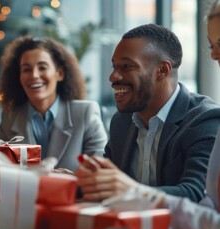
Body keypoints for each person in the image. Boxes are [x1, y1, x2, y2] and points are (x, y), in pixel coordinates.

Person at [76, 23, 220, 204]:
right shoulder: (122, 121)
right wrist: (76, 183)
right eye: (114, 67)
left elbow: (197, 194)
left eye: (127, 66)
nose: (113, 77)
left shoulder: (205, 120)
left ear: (162, 70)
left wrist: (131, 190)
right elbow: (108, 186)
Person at [0, 35, 107, 172]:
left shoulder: (85, 112)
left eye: (42, 67)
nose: (34, 75)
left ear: (59, 73)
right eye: (26, 69)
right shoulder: (9, 117)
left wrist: (70, 179)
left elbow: (100, 170)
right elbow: (1, 170)